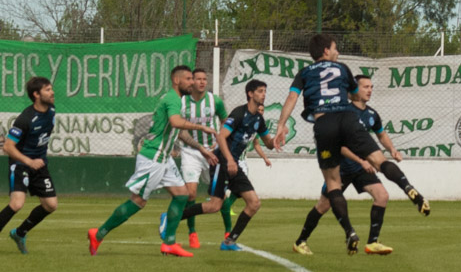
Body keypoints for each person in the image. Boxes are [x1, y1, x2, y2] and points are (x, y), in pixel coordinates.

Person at [274, 35, 429, 254]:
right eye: (335, 48)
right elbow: (354, 94)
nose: (337, 52)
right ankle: (410, 190)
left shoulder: (304, 73)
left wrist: (281, 125)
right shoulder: (342, 68)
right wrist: (351, 91)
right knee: (380, 161)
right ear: (326, 50)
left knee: (333, 185)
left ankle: (350, 232)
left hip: (324, 122)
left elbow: (292, 98)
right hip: (347, 118)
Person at [87, 65, 217, 257]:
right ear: (177, 80)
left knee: (182, 195)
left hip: (164, 157)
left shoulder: (175, 99)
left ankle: (169, 243)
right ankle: (98, 234)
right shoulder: (173, 99)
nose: (192, 82)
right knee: (138, 201)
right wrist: (201, 127)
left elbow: (179, 131)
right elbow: (175, 122)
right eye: (188, 79)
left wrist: (201, 148)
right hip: (153, 157)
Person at [292, 75, 414, 256]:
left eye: (371, 87)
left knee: (382, 196)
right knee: (323, 205)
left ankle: (372, 242)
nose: (369, 90)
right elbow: (339, 145)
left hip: (361, 168)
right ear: (355, 89)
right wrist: (361, 160)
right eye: (365, 87)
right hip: (341, 168)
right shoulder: (343, 113)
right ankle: (300, 241)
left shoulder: (372, 114)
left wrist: (392, 150)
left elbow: (381, 134)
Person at [170, 79, 276, 251]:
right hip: (222, 162)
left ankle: (229, 242)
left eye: (265, 91)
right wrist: (230, 160)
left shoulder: (258, 119)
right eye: (260, 91)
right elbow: (221, 136)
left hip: (233, 165)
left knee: (254, 203)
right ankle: (170, 218)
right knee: (214, 206)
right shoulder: (239, 113)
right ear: (250, 94)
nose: (264, 94)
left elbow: (269, 143)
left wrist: (277, 139)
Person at [0, 77, 56, 255]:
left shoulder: (51, 110)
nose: (52, 92)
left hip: (39, 164)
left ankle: (20, 233)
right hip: (21, 164)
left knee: (51, 205)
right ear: (36, 95)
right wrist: (29, 161)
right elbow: (8, 147)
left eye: (51, 88)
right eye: (47, 90)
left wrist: (37, 161)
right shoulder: (25, 119)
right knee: (16, 204)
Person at [169, 68, 228, 249]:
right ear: (191, 81)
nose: (202, 82)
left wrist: (220, 140)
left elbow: (226, 122)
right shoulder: (182, 101)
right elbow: (180, 130)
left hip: (213, 151)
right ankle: (192, 232)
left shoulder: (215, 100)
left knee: (221, 194)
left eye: (205, 79)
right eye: (198, 79)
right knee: (191, 193)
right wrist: (199, 147)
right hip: (190, 151)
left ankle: (229, 233)